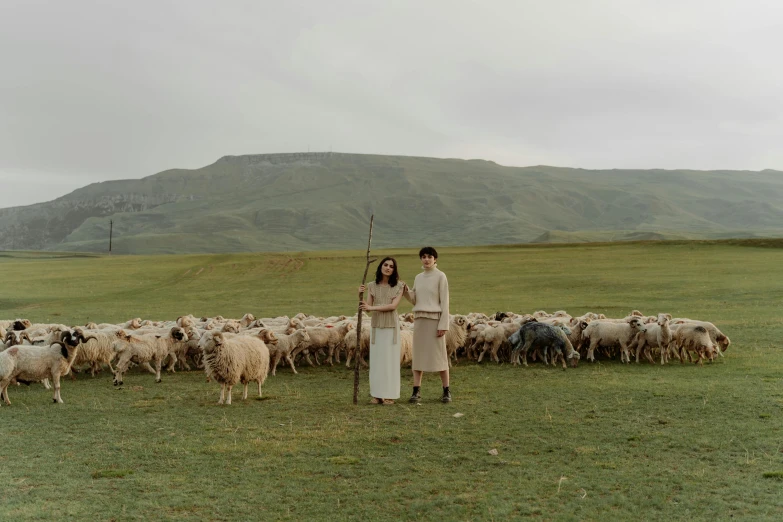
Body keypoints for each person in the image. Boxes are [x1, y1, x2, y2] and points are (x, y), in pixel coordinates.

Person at [403, 246, 451, 403]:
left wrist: (443, 324)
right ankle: (416, 391)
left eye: (429, 256)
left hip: (435, 321)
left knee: (440, 356)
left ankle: (446, 391)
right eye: (423, 257)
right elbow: (415, 299)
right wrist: (405, 291)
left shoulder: (440, 276)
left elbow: (445, 301)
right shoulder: (418, 277)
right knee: (418, 357)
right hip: (420, 320)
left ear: (435, 259)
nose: (426, 259)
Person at [358, 257, 405, 405]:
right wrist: (360, 295)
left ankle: (390, 395)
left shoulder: (399, 286)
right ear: (380, 267)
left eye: (391, 266)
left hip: (391, 326)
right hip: (377, 326)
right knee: (377, 361)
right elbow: (367, 307)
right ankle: (377, 395)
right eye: (385, 265)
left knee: (390, 361)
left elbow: (393, 306)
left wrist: (372, 308)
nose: (388, 268)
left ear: (394, 270)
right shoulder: (371, 286)